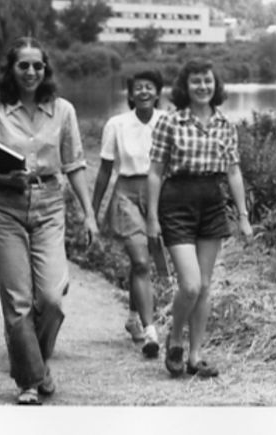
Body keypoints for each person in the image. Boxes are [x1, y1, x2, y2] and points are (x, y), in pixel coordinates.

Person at [0, 37, 98, 405]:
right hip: (4, 207)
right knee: (18, 300)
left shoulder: (63, 110)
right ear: (11, 69)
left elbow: (74, 164)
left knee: (52, 299)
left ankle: (34, 363)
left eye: (37, 65)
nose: (31, 72)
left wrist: (89, 214)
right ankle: (29, 381)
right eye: (23, 65)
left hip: (50, 205)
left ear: (46, 69)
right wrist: (3, 179)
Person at [147, 58, 253, 379]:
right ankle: (175, 337)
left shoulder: (225, 124)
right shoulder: (170, 121)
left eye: (208, 80)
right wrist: (152, 217)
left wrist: (244, 216)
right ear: (185, 86)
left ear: (215, 84)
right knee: (190, 286)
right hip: (176, 202)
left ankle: (194, 357)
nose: (203, 86)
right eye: (195, 81)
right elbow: (154, 172)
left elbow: (233, 171)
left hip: (211, 202)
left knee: (205, 286)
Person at [90, 69, 165, 358]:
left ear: (158, 93)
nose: (144, 92)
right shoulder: (117, 124)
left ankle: (133, 316)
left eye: (150, 87)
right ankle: (150, 333)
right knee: (141, 261)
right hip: (126, 196)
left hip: (158, 196)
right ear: (130, 95)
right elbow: (105, 170)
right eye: (138, 88)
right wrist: (92, 212)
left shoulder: (168, 122)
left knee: (144, 265)